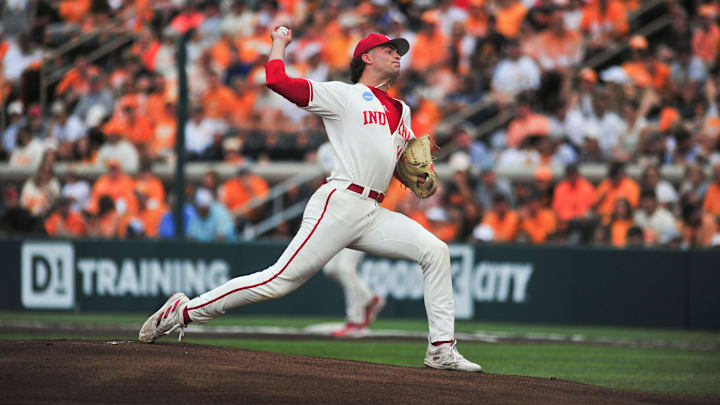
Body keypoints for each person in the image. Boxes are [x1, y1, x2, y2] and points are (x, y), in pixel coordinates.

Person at [139, 29, 482, 372]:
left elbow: (398, 163)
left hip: (372, 211)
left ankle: (441, 349)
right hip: (340, 202)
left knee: (436, 252)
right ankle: (183, 312)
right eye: (389, 49)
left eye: (399, 51)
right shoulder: (344, 96)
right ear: (366, 57)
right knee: (276, 282)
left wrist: (420, 178)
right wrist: (279, 43)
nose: (398, 55)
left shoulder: (402, 111)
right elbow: (276, 79)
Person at [316, 142, 386, 338]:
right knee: (331, 269)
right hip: (341, 220)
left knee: (345, 268)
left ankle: (355, 321)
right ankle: (369, 298)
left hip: (362, 214)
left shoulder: (356, 147)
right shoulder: (327, 150)